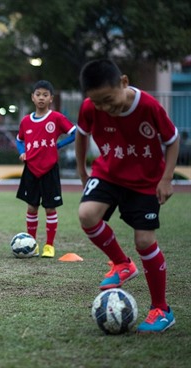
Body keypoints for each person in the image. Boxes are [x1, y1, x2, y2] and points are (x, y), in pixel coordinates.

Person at [76, 59, 179, 333]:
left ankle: (161, 309)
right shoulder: (89, 107)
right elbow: (82, 135)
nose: (105, 108)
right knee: (87, 214)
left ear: (124, 82)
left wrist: (166, 179)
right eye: (98, 103)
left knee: (144, 240)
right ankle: (122, 263)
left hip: (145, 181)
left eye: (109, 100)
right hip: (108, 172)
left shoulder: (148, 106)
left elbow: (172, 140)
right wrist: (81, 168)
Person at [15, 80, 76, 258]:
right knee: (32, 208)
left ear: (51, 98)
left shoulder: (56, 118)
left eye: (45, 95)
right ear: (32, 97)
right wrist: (22, 152)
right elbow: (19, 139)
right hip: (31, 169)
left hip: (49, 170)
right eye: (38, 94)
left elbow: (75, 133)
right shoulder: (26, 121)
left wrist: (58, 145)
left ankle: (49, 245)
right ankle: (32, 245)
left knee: (50, 209)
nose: (41, 98)